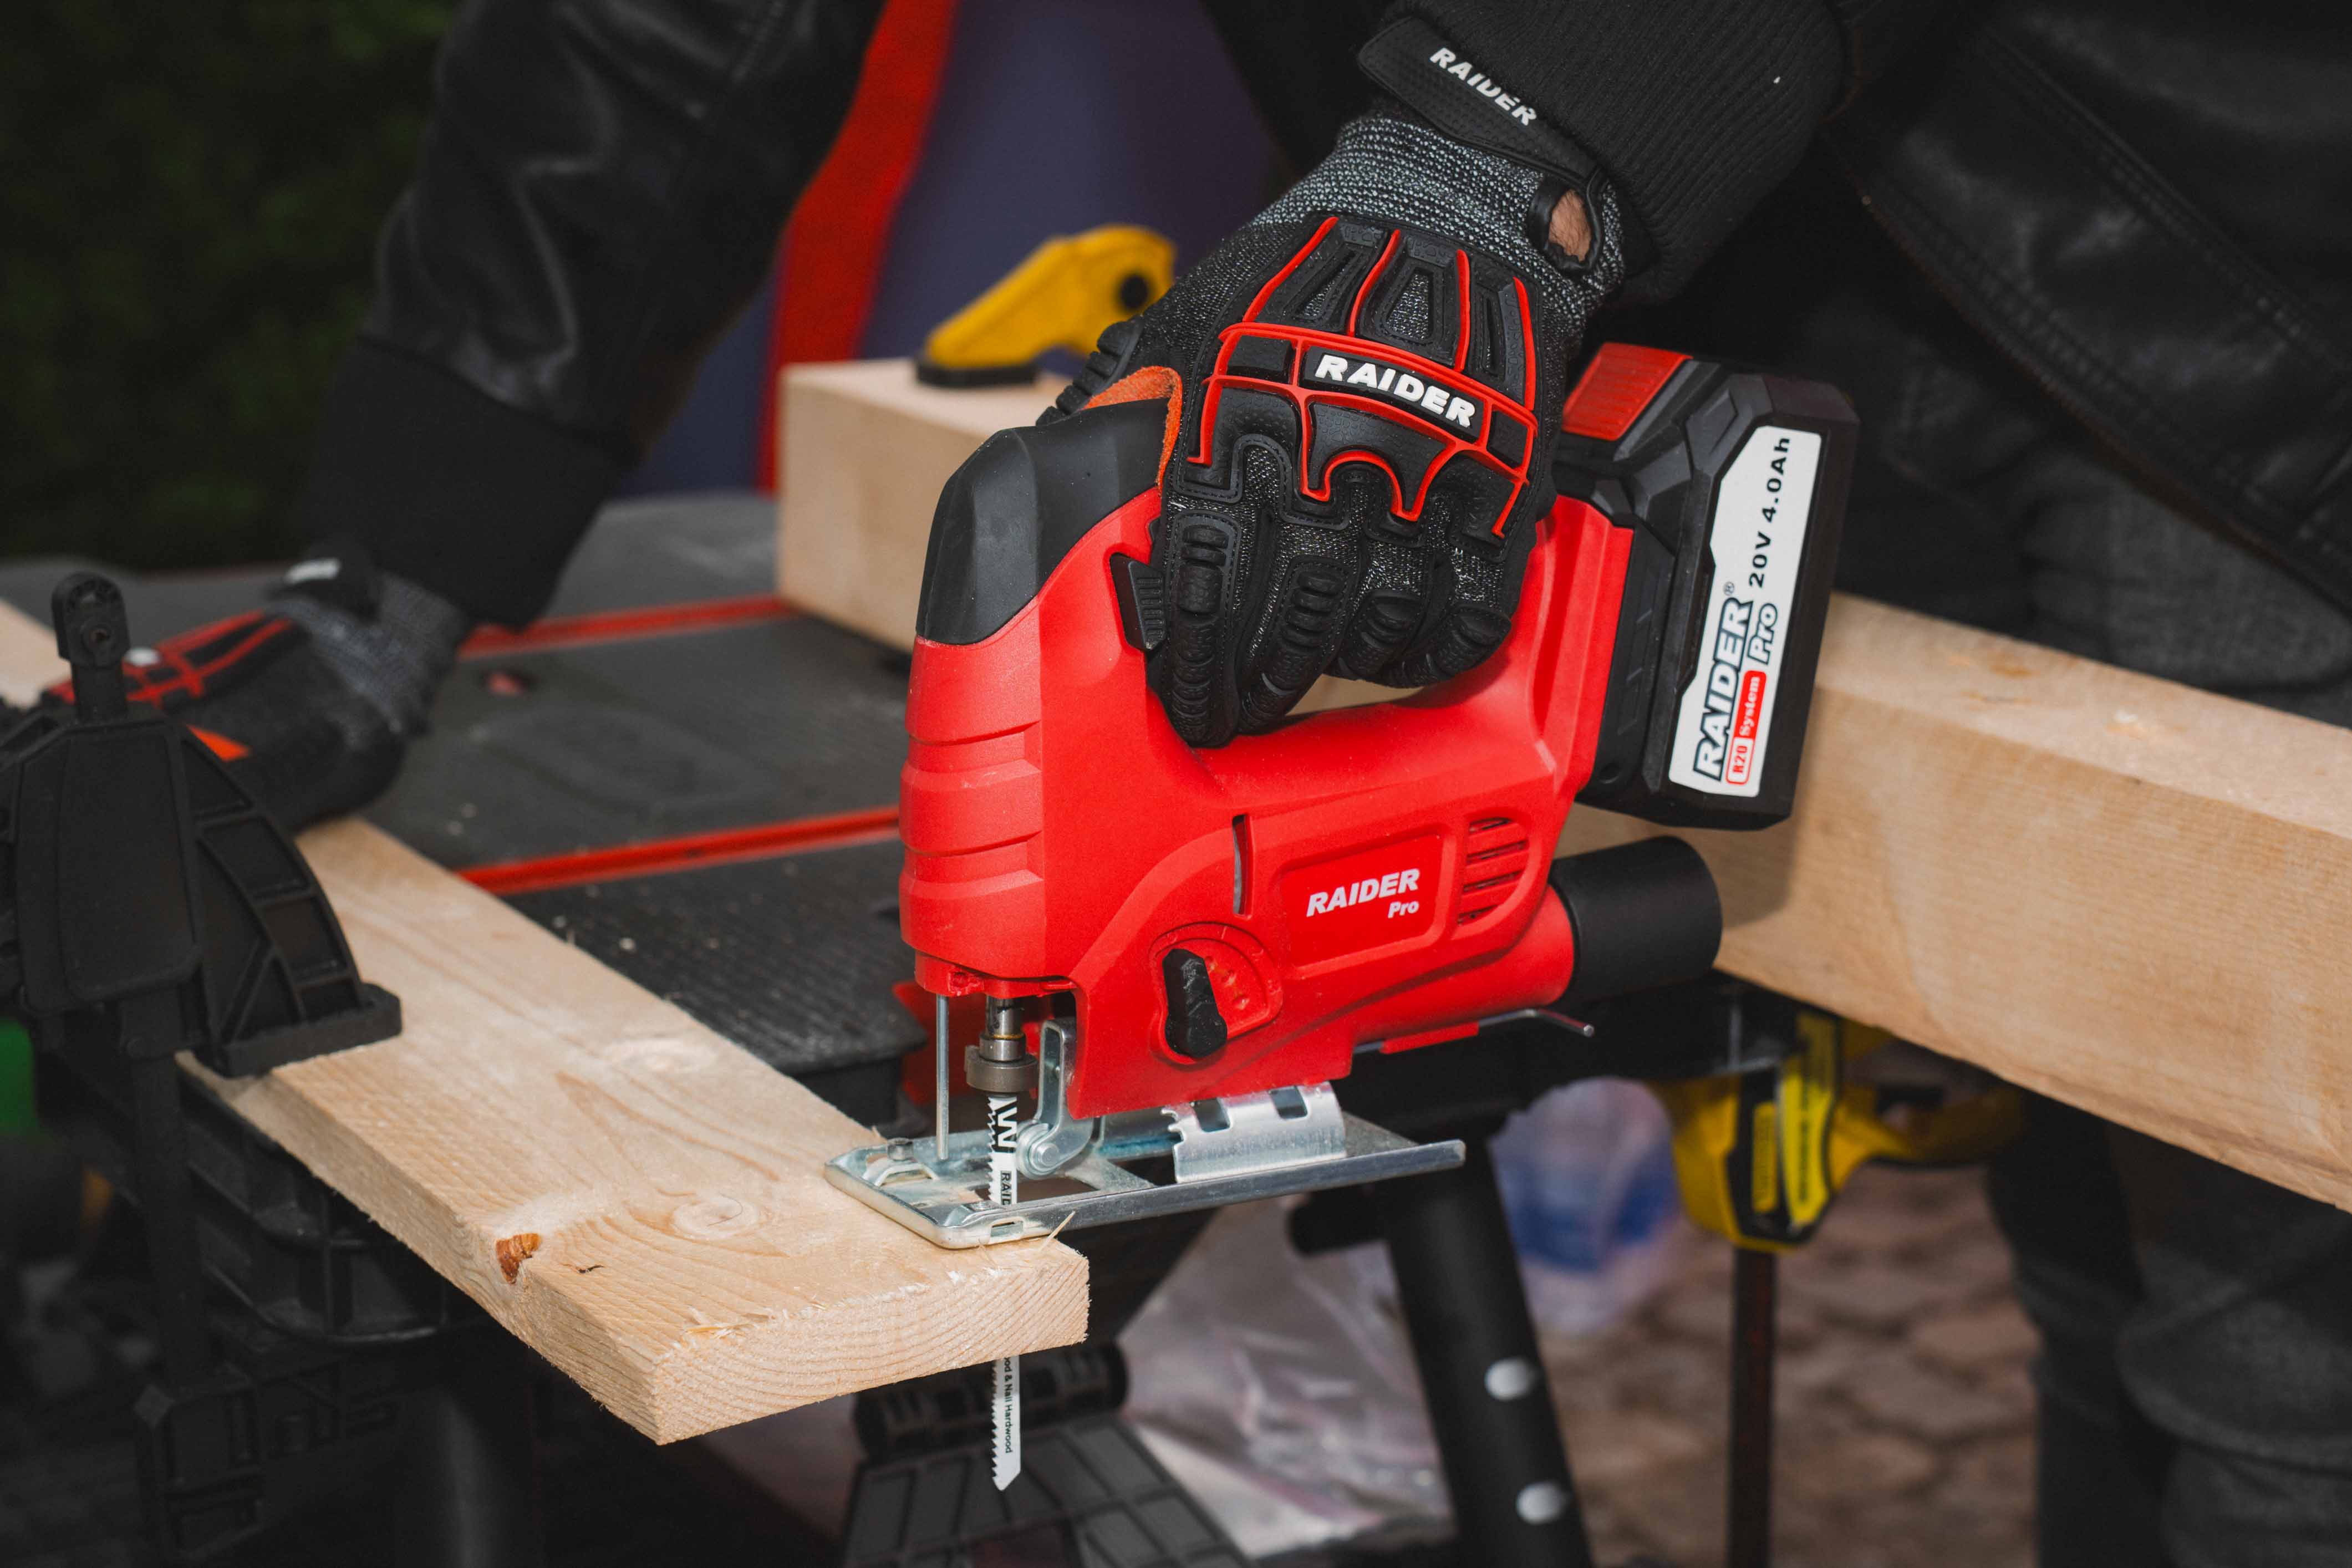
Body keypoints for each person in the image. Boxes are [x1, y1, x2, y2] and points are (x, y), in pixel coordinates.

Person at [106, 2, 2352, 1561]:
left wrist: (1501, 149)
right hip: (1654, 249)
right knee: (2096, 1224)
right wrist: (416, 526)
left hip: (2197, 288)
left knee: (2277, 1321)